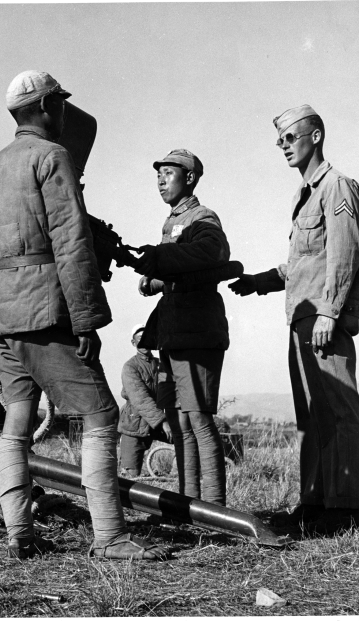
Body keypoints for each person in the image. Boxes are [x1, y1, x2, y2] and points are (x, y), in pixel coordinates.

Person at [0, 70, 167, 560]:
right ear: (45, 107)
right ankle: (111, 536)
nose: (62, 112)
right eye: (58, 103)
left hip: (0, 317)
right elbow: (71, 243)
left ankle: (19, 531)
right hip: (44, 310)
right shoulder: (53, 157)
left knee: (17, 417)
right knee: (102, 414)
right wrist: (85, 320)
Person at [228, 105, 359, 535]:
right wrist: (260, 281)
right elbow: (305, 263)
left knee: (339, 411)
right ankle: (314, 503)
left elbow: (345, 254)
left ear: (316, 136)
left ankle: (344, 508)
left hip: (324, 319)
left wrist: (330, 312)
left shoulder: (337, 187)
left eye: (290, 137)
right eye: (280, 140)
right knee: (311, 416)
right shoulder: (303, 196)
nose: (283, 146)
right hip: (302, 319)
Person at [132, 149, 230, 506]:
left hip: (196, 330)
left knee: (198, 421)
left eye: (168, 173)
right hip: (175, 332)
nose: (161, 180)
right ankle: (190, 506)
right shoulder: (173, 221)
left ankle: (215, 509)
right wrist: (155, 279)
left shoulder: (201, 217)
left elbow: (212, 253)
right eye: (158, 175)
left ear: (189, 178)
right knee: (180, 424)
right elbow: (185, 271)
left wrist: (160, 258)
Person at [117, 324, 173, 477]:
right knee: (130, 476)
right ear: (133, 342)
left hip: (157, 423)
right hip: (134, 425)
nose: (144, 342)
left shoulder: (161, 364)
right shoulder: (130, 367)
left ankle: (177, 475)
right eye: (140, 338)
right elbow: (140, 399)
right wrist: (163, 422)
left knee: (187, 439)